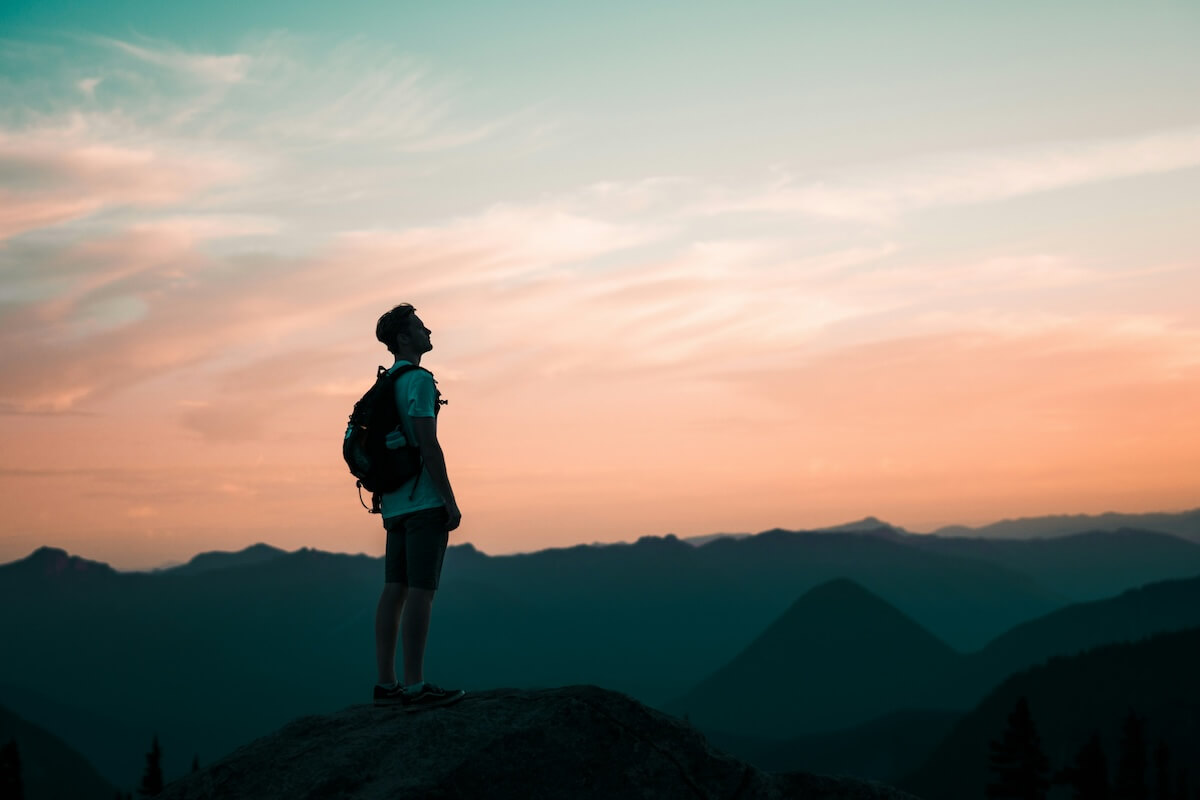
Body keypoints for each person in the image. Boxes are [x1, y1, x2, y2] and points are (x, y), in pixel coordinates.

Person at [371, 303, 465, 710]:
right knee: (421, 593)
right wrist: (449, 498)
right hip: (423, 501)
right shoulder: (419, 381)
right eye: (421, 327)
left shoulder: (383, 384)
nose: (430, 332)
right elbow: (428, 443)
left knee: (395, 589)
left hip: (392, 503)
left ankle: (387, 684)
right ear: (404, 338)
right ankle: (415, 685)